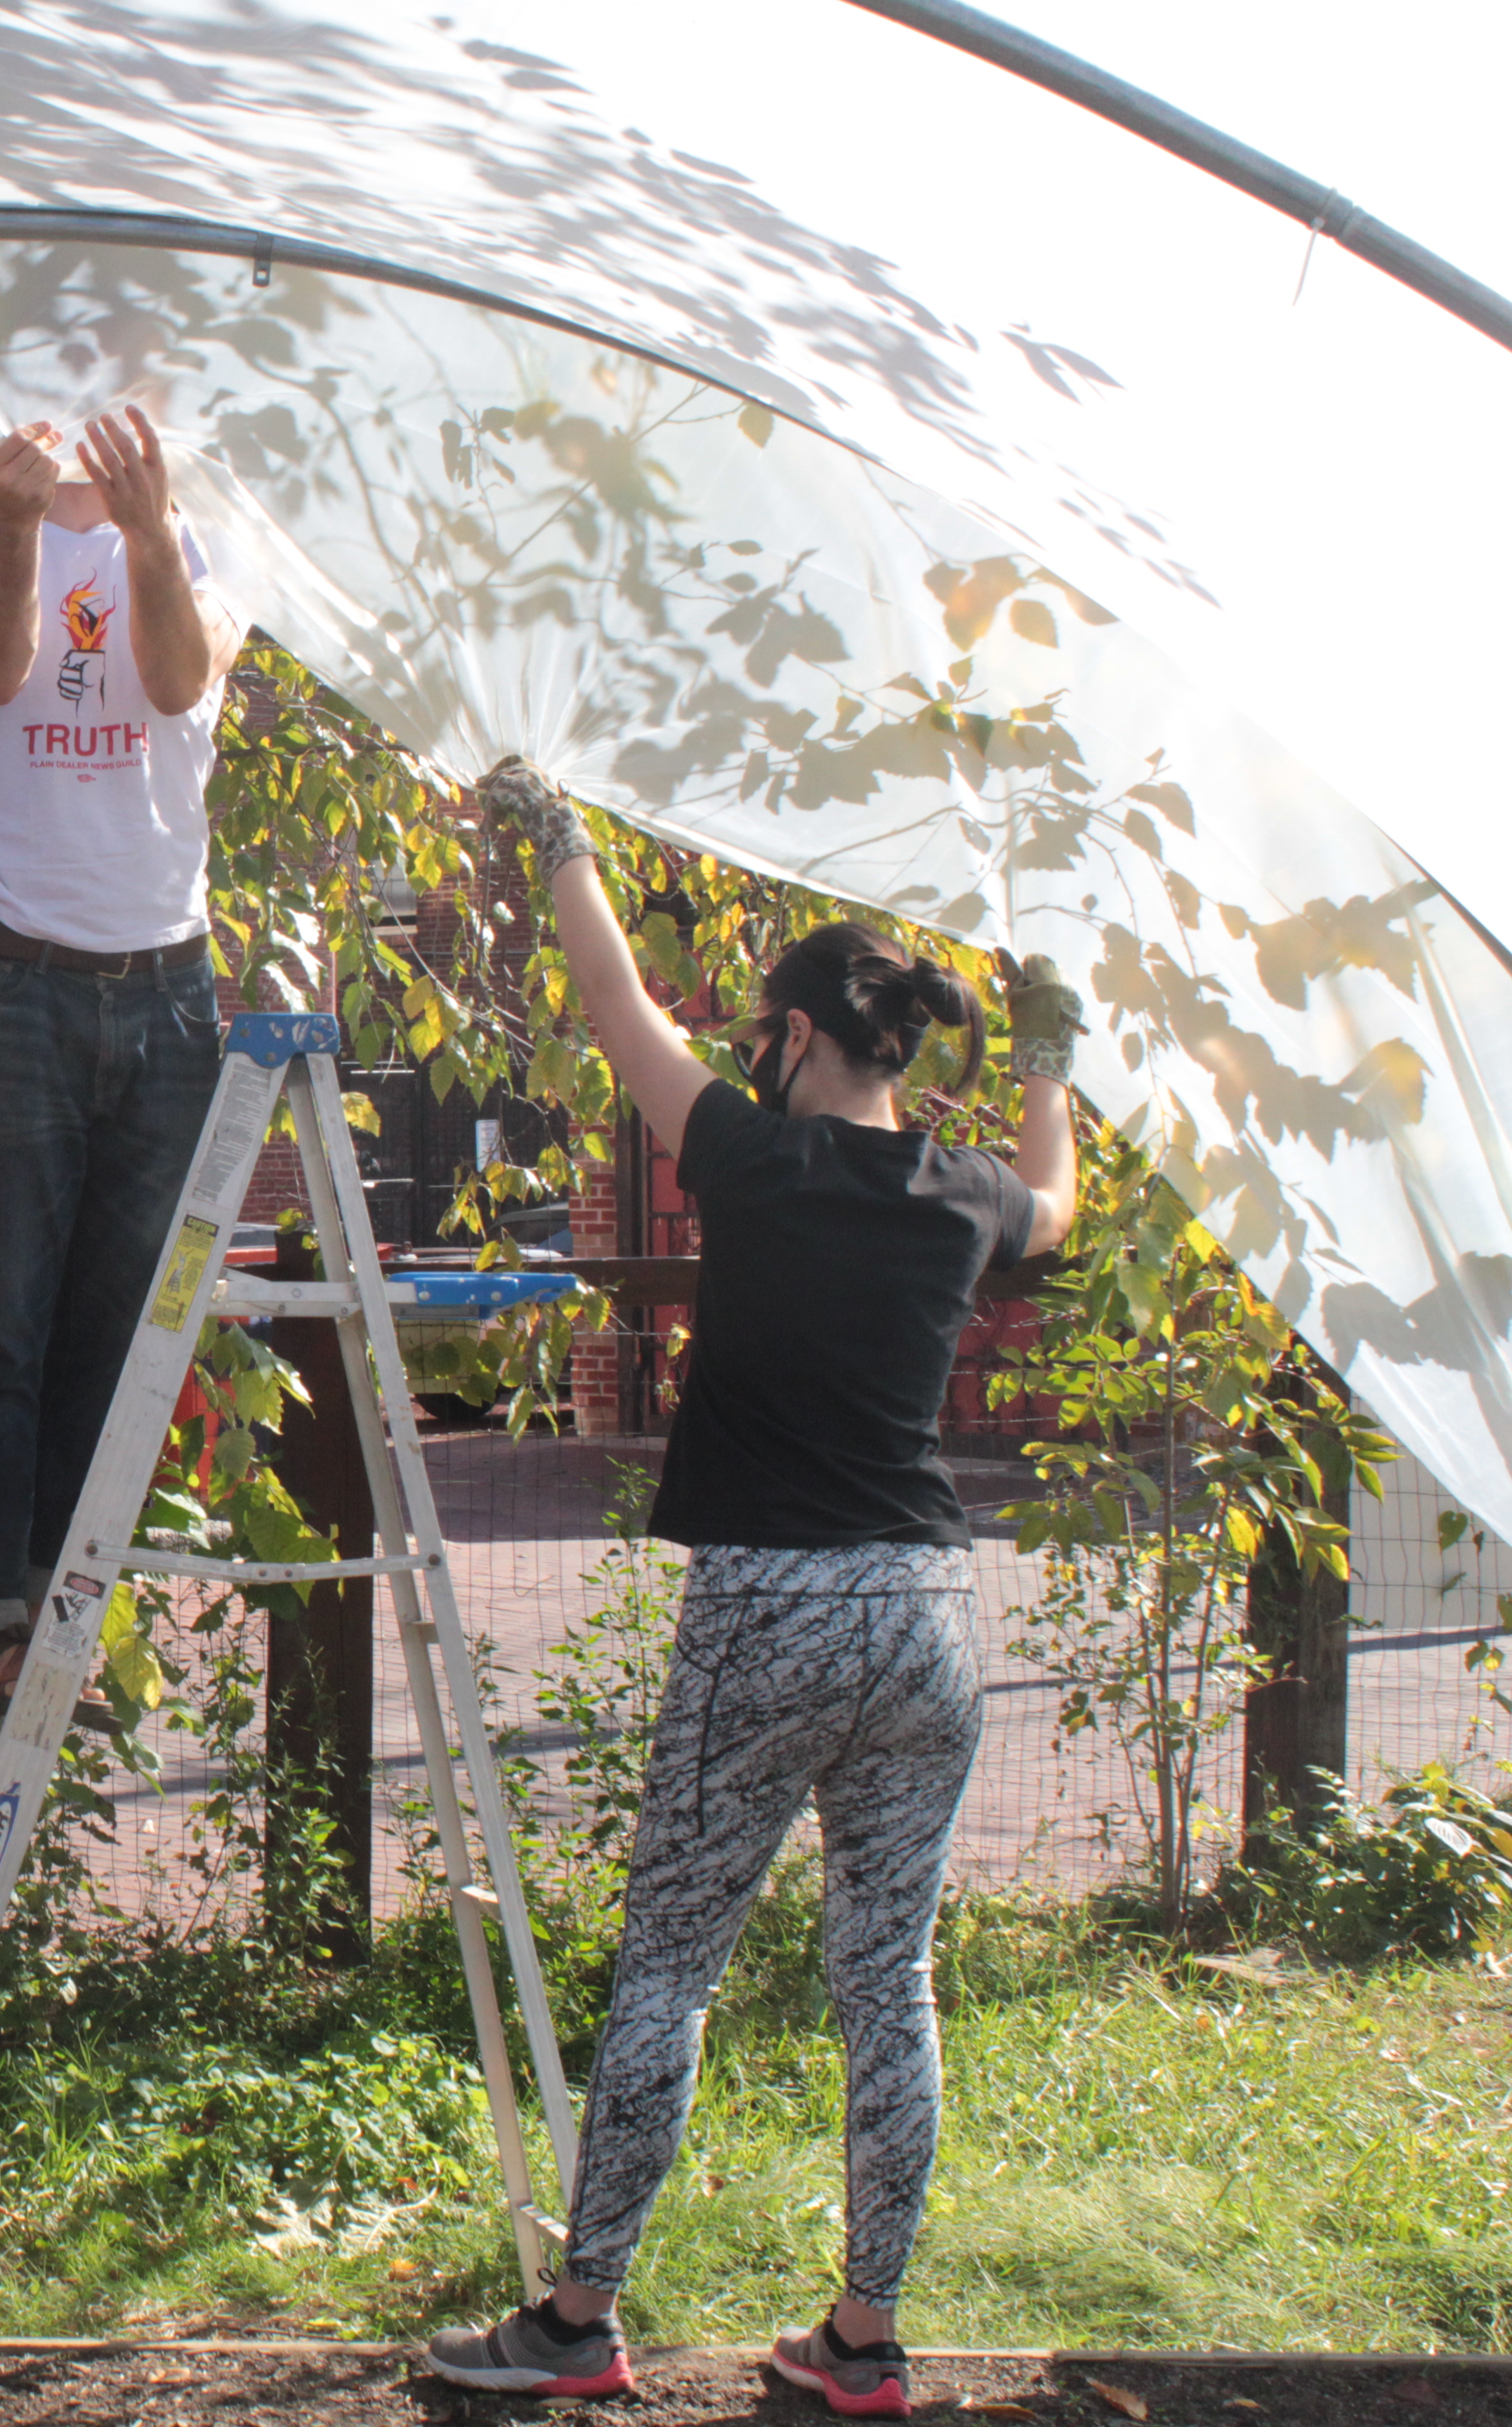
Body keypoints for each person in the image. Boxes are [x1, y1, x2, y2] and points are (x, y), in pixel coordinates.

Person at [426, 762, 1083, 2419]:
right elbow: (1056, 1202)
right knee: (889, 1976)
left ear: (792, 1036)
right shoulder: (960, 1195)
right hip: (930, 1611)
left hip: (773, 1606)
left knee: (669, 1964)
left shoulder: (744, 1154)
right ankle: (864, 2334)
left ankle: (579, 2317)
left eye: (760, 1028)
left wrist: (559, 835)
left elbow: (607, 995)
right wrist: (1051, 1058)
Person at [0, 404, 246, 1723]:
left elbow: (174, 682)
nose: (86, 442)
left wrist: (153, 528)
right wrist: (9, 528)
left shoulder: (206, 548)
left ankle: (65, 1620)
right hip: (15, 974)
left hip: (166, 986)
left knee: (114, 1328)